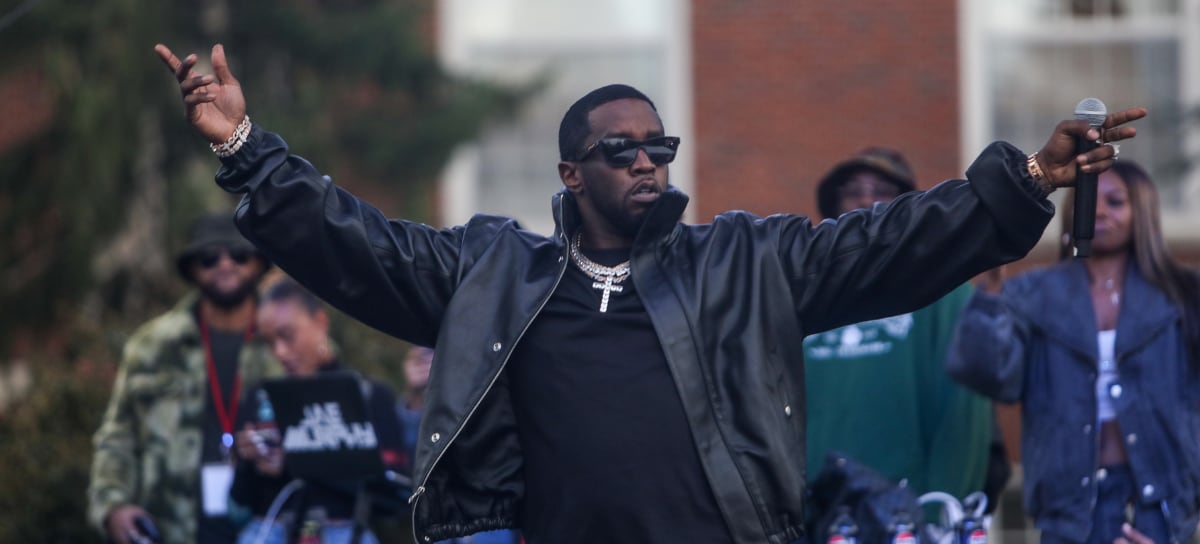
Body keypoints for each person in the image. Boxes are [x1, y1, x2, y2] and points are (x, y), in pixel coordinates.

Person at [155, 42, 1138, 543]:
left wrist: (1030, 180)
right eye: (618, 149)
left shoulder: (745, 262)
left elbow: (894, 241)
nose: (646, 160)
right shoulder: (495, 273)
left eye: (658, 146)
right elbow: (354, 242)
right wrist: (244, 148)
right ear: (571, 174)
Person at [946, 160, 1200, 544]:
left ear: (1142, 212)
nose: (1098, 210)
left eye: (1115, 202)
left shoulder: (1184, 293)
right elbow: (991, 375)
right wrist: (991, 290)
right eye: (1088, 199)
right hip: (1069, 507)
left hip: (1160, 503)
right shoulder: (1031, 293)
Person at [803, 148, 1001, 505]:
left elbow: (963, 415)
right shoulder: (801, 286)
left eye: (881, 190)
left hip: (907, 512)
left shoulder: (945, 286)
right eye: (853, 190)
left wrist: (941, 509)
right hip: (811, 511)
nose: (865, 199)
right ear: (834, 204)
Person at [88, 212, 281, 544]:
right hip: (169, 529)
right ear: (193, 268)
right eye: (209, 257)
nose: (224, 264)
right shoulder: (153, 345)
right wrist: (112, 506)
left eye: (238, 254)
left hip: (271, 525)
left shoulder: (287, 340)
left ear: (259, 263)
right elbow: (118, 435)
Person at [228, 278, 407, 544]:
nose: (280, 352)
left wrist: (295, 461)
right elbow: (238, 501)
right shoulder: (262, 396)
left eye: (287, 335)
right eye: (269, 341)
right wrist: (248, 462)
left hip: (344, 533)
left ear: (320, 322)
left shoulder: (368, 394)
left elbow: (396, 496)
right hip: (267, 530)